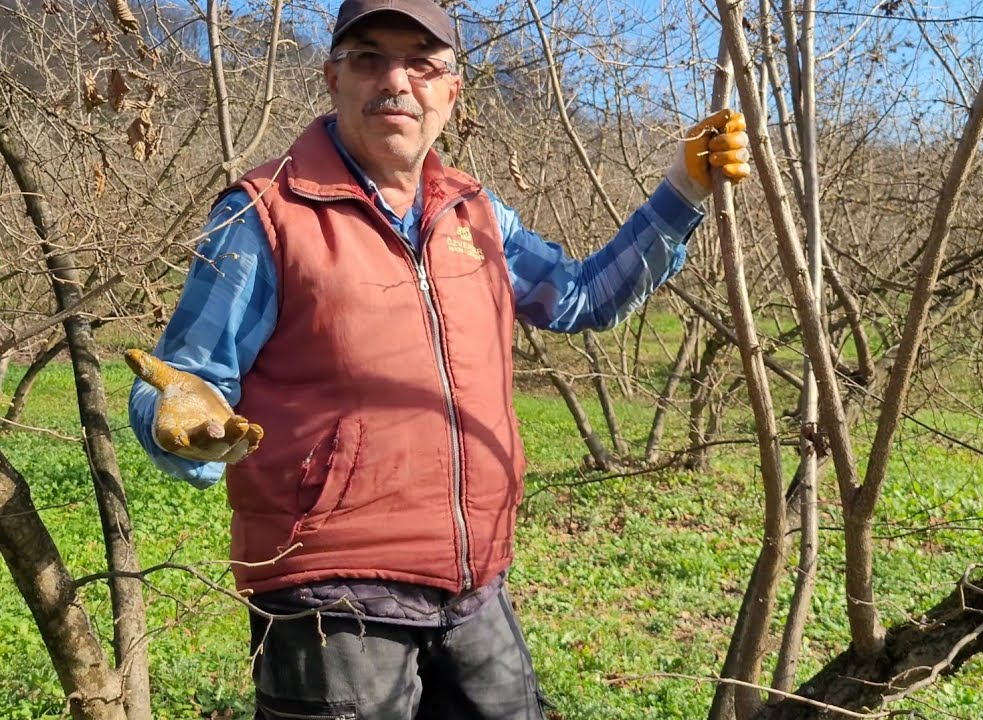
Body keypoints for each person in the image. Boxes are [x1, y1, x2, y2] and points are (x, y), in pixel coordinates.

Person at [126, 0, 751, 718]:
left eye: (422, 64)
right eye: (369, 58)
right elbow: (182, 379)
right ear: (332, 78)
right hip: (331, 596)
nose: (396, 81)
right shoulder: (266, 214)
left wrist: (683, 191)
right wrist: (182, 421)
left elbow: (581, 297)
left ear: (451, 91)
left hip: (472, 583)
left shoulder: (475, 214)